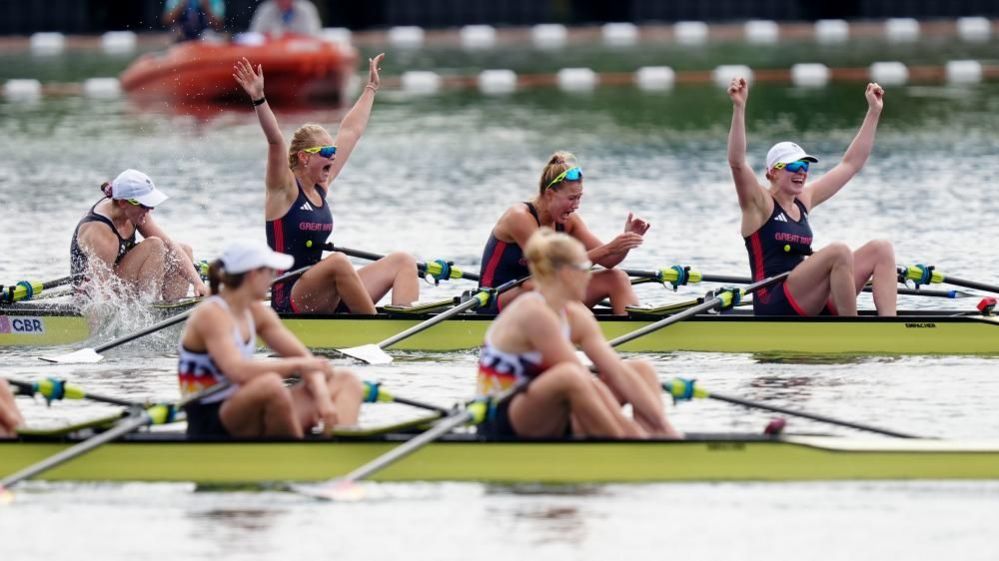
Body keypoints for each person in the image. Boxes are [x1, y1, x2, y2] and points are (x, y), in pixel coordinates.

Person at [233, 54, 419, 314]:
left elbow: (351, 131)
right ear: (304, 157)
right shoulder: (283, 191)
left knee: (403, 261)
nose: (334, 155)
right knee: (339, 263)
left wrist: (371, 88)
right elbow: (275, 140)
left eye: (334, 150)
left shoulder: (322, 185)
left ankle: (406, 326)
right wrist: (259, 98)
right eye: (327, 150)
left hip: (323, 292)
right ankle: (374, 329)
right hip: (290, 298)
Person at [476, 228, 681, 440]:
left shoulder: (575, 314)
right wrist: (631, 434)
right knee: (570, 376)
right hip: (503, 419)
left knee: (640, 369)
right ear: (567, 273)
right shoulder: (534, 313)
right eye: (585, 268)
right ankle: (631, 446)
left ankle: (659, 436)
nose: (590, 276)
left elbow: (616, 371)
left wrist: (666, 427)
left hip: (552, 413)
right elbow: (581, 378)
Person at [727, 78, 896, 317]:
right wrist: (739, 107)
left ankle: (892, 328)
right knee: (839, 251)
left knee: (881, 248)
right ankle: (852, 331)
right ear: (772, 173)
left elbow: (851, 164)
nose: (802, 172)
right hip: (774, 304)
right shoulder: (759, 204)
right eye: (794, 166)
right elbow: (737, 162)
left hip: (808, 298)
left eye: (805, 166)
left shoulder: (803, 200)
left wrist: (874, 112)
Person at [177, 239, 364, 438]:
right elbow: (238, 370)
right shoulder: (211, 314)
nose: (274, 277)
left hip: (248, 409)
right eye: (270, 271)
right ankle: (298, 457)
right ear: (253, 274)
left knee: (346, 381)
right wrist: (298, 365)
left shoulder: (257, 312)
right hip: (211, 419)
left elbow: (306, 359)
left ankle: (339, 445)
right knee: (271, 386)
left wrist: (323, 397)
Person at [478, 151, 647, 315]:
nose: (577, 205)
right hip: (495, 300)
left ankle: (632, 333)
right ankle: (588, 333)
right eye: (572, 198)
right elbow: (553, 270)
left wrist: (625, 242)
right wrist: (609, 248)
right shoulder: (519, 217)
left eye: (579, 197)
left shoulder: (569, 221)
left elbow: (609, 261)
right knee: (548, 285)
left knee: (617, 277)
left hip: (543, 293)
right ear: (550, 194)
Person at [70, 169, 208, 300]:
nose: (149, 210)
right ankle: (149, 314)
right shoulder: (100, 231)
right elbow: (101, 296)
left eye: (151, 205)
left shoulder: (134, 212)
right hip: (94, 294)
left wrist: (198, 282)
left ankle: (172, 307)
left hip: (121, 282)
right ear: (123, 202)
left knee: (184, 250)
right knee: (154, 246)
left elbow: (170, 246)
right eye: (145, 205)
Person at [249, 0, 322, 37]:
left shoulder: (306, 8)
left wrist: (289, 36)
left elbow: (315, 34)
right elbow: (254, 36)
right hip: (271, 55)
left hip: (301, 55)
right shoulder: (265, 9)